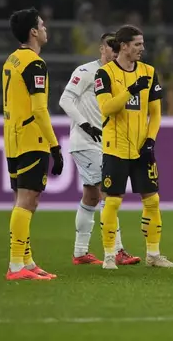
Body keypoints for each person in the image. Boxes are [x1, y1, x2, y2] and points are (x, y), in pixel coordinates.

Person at [94, 25, 173, 269]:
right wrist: (130, 90)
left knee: (152, 200)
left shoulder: (149, 72)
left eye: (142, 44)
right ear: (123, 46)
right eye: (137, 45)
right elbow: (106, 108)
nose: (142, 49)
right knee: (112, 202)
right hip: (115, 146)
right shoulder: (105, 74)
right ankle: (110, 255)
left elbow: (156, 113)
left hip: (142, 148)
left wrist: (150, 140)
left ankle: (154, 255)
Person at [59, 32, 140, 266]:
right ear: (101, 49)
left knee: (91, 196)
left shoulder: (117, 75)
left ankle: (80, 252)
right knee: (109, 192)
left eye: (118, 47)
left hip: (106, 142)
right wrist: (85, 124)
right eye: (110, 47)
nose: (114, 51)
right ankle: (117, 250)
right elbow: (65, 99)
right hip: (85, 141)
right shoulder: (85, 72)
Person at [2, 7, 63, 280]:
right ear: (33, 32)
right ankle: (16, 266)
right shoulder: (35, 64)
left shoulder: (12, 60)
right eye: (42, 24)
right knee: (27, 200)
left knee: (22, 199)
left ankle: (26, 262)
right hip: (31, 138)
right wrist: (55, 146)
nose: (46, 28)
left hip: (13, 138)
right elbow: (40, 110)